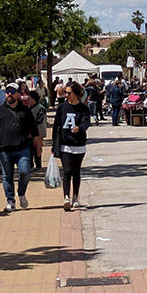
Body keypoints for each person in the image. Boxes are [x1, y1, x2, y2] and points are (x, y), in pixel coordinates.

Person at [0, 83, 42, 212]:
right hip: (4, 149)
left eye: (12, 91)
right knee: (7, 176)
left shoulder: (25, 111)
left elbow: (34, 129)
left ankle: (21, 193)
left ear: (18, 94)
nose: (9, 93)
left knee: (25, 172)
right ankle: (10, 201)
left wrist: (38, 145)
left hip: (23, 148)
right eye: (7, 91)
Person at [52, 82, 90, 211]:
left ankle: (75, 197)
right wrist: (54, 144)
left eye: (69, 93)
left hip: (78, 144)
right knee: (67, 171)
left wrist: (79, 128)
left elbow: (86, 122)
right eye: (65, 93)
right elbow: (56, 125)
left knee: (76, 171)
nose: (66, 95)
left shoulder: (83, 108)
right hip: (65, 144)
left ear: (76, 94)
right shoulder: (62, 108)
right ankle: (66, 197)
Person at [29, 91, 47, 170]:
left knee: (37, 147)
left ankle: (38, 164)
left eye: (29, 98)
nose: (28, 100)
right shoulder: (29, 108)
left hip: (38, 131)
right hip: (31, 132)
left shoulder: (40, 108)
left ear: (34, 99)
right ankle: (30, 164)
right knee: (30, 148)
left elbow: (39, 120)